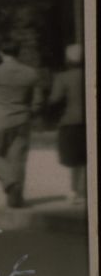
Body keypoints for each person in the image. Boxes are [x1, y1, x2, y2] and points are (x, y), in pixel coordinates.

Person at [0, 40, 44, 208]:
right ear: (18, 53)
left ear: (1, 53)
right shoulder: (31, 73)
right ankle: (16, 200)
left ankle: (10, 181)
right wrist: (29, 113)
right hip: (23, 120)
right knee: (17, 158)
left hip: (1, 120)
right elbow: (38, 102)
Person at [48, 43, 85, 205]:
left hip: (71, 121)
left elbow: (54, 100)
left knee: (74, 159)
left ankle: (74, 191)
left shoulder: (63, 77)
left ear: (68, 59)